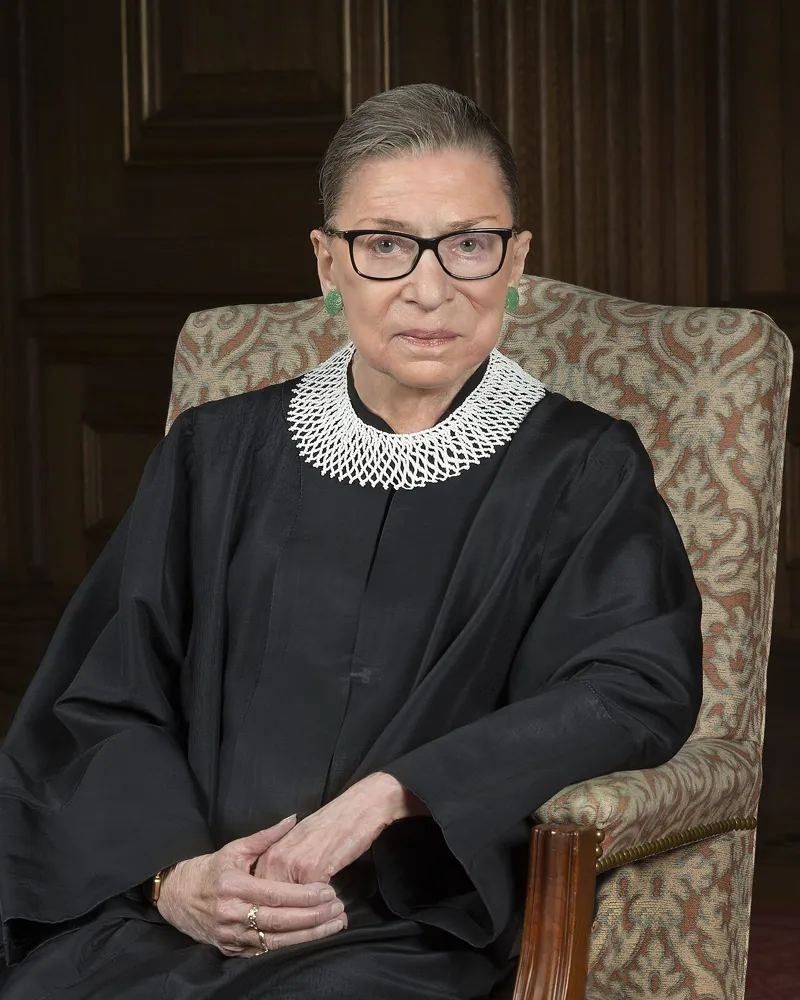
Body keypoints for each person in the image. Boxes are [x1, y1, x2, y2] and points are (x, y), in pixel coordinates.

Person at [0, 84, 702, 999]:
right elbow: (102, 701)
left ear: (515, 259)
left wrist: (392, 793)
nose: (430, 286)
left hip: (410, 924)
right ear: (327, 263)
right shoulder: (216, 453)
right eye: (383, 244)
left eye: (470, 243)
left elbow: (633, 688)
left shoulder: (581, 468)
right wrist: (175, 877)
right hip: (181, 909)